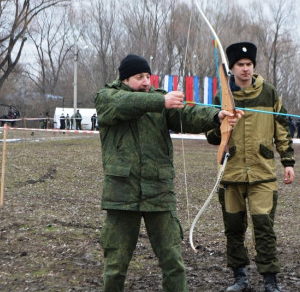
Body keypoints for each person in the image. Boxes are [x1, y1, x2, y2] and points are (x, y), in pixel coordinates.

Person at [94, 54, 242, 292]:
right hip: (122, 194)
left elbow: (188, 115)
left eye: (147, 76)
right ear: (124, 79)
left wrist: (217, 116)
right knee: (115, 265)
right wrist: (160, 101)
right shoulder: (107, 97)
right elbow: (123, 104)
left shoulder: (160, 101)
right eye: (138, 77)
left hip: (159, 192)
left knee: (173, 263)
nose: (145, 82)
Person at [205, 42, 295, 292]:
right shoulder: (221, 97)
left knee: (264, 229)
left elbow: (282, 129)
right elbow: (212, 136)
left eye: (249, 64)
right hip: (230, 174)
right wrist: (224, 123)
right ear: (231, 68)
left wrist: (287, 162)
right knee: (233, 229)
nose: (245, 69)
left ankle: (270, 281)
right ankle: (240, 279)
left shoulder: (269, 93)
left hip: (262, 174)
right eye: (239, 65)